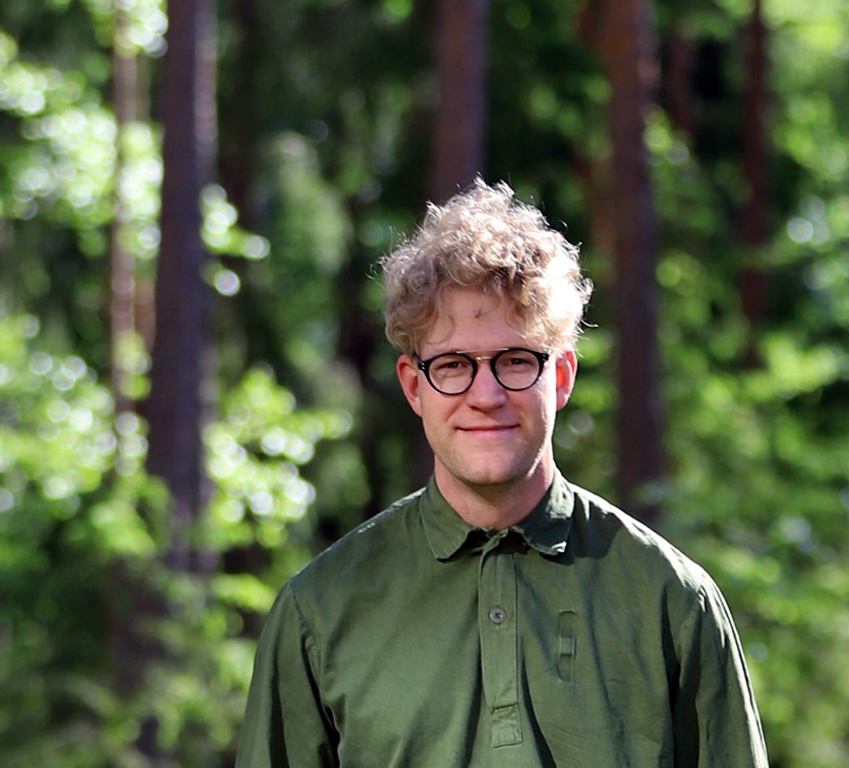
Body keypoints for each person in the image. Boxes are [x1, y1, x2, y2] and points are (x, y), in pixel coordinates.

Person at [234, 179, 769, 767]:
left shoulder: (673, 602)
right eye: (455, 365)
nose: (485, 395)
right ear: (415, 386)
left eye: (515, 361)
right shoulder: (319, 610)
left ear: (561, 377)